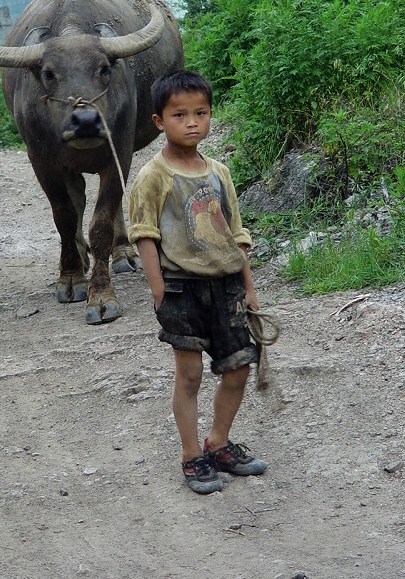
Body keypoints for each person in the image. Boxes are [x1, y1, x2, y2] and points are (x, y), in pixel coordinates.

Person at [128, 69, 267, 495]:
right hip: (180, 288)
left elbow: (235, 234)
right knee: (188, 376)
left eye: (201, 113)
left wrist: (249, 286)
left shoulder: (219, 172)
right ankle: (192, 455)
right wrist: (157, 290)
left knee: (239, 367)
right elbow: (144, 234)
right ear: (158, 122)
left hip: (225, 286)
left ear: (210, 115)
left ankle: (219, 443)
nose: (192, 122)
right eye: (179, 115)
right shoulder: (153, 176)